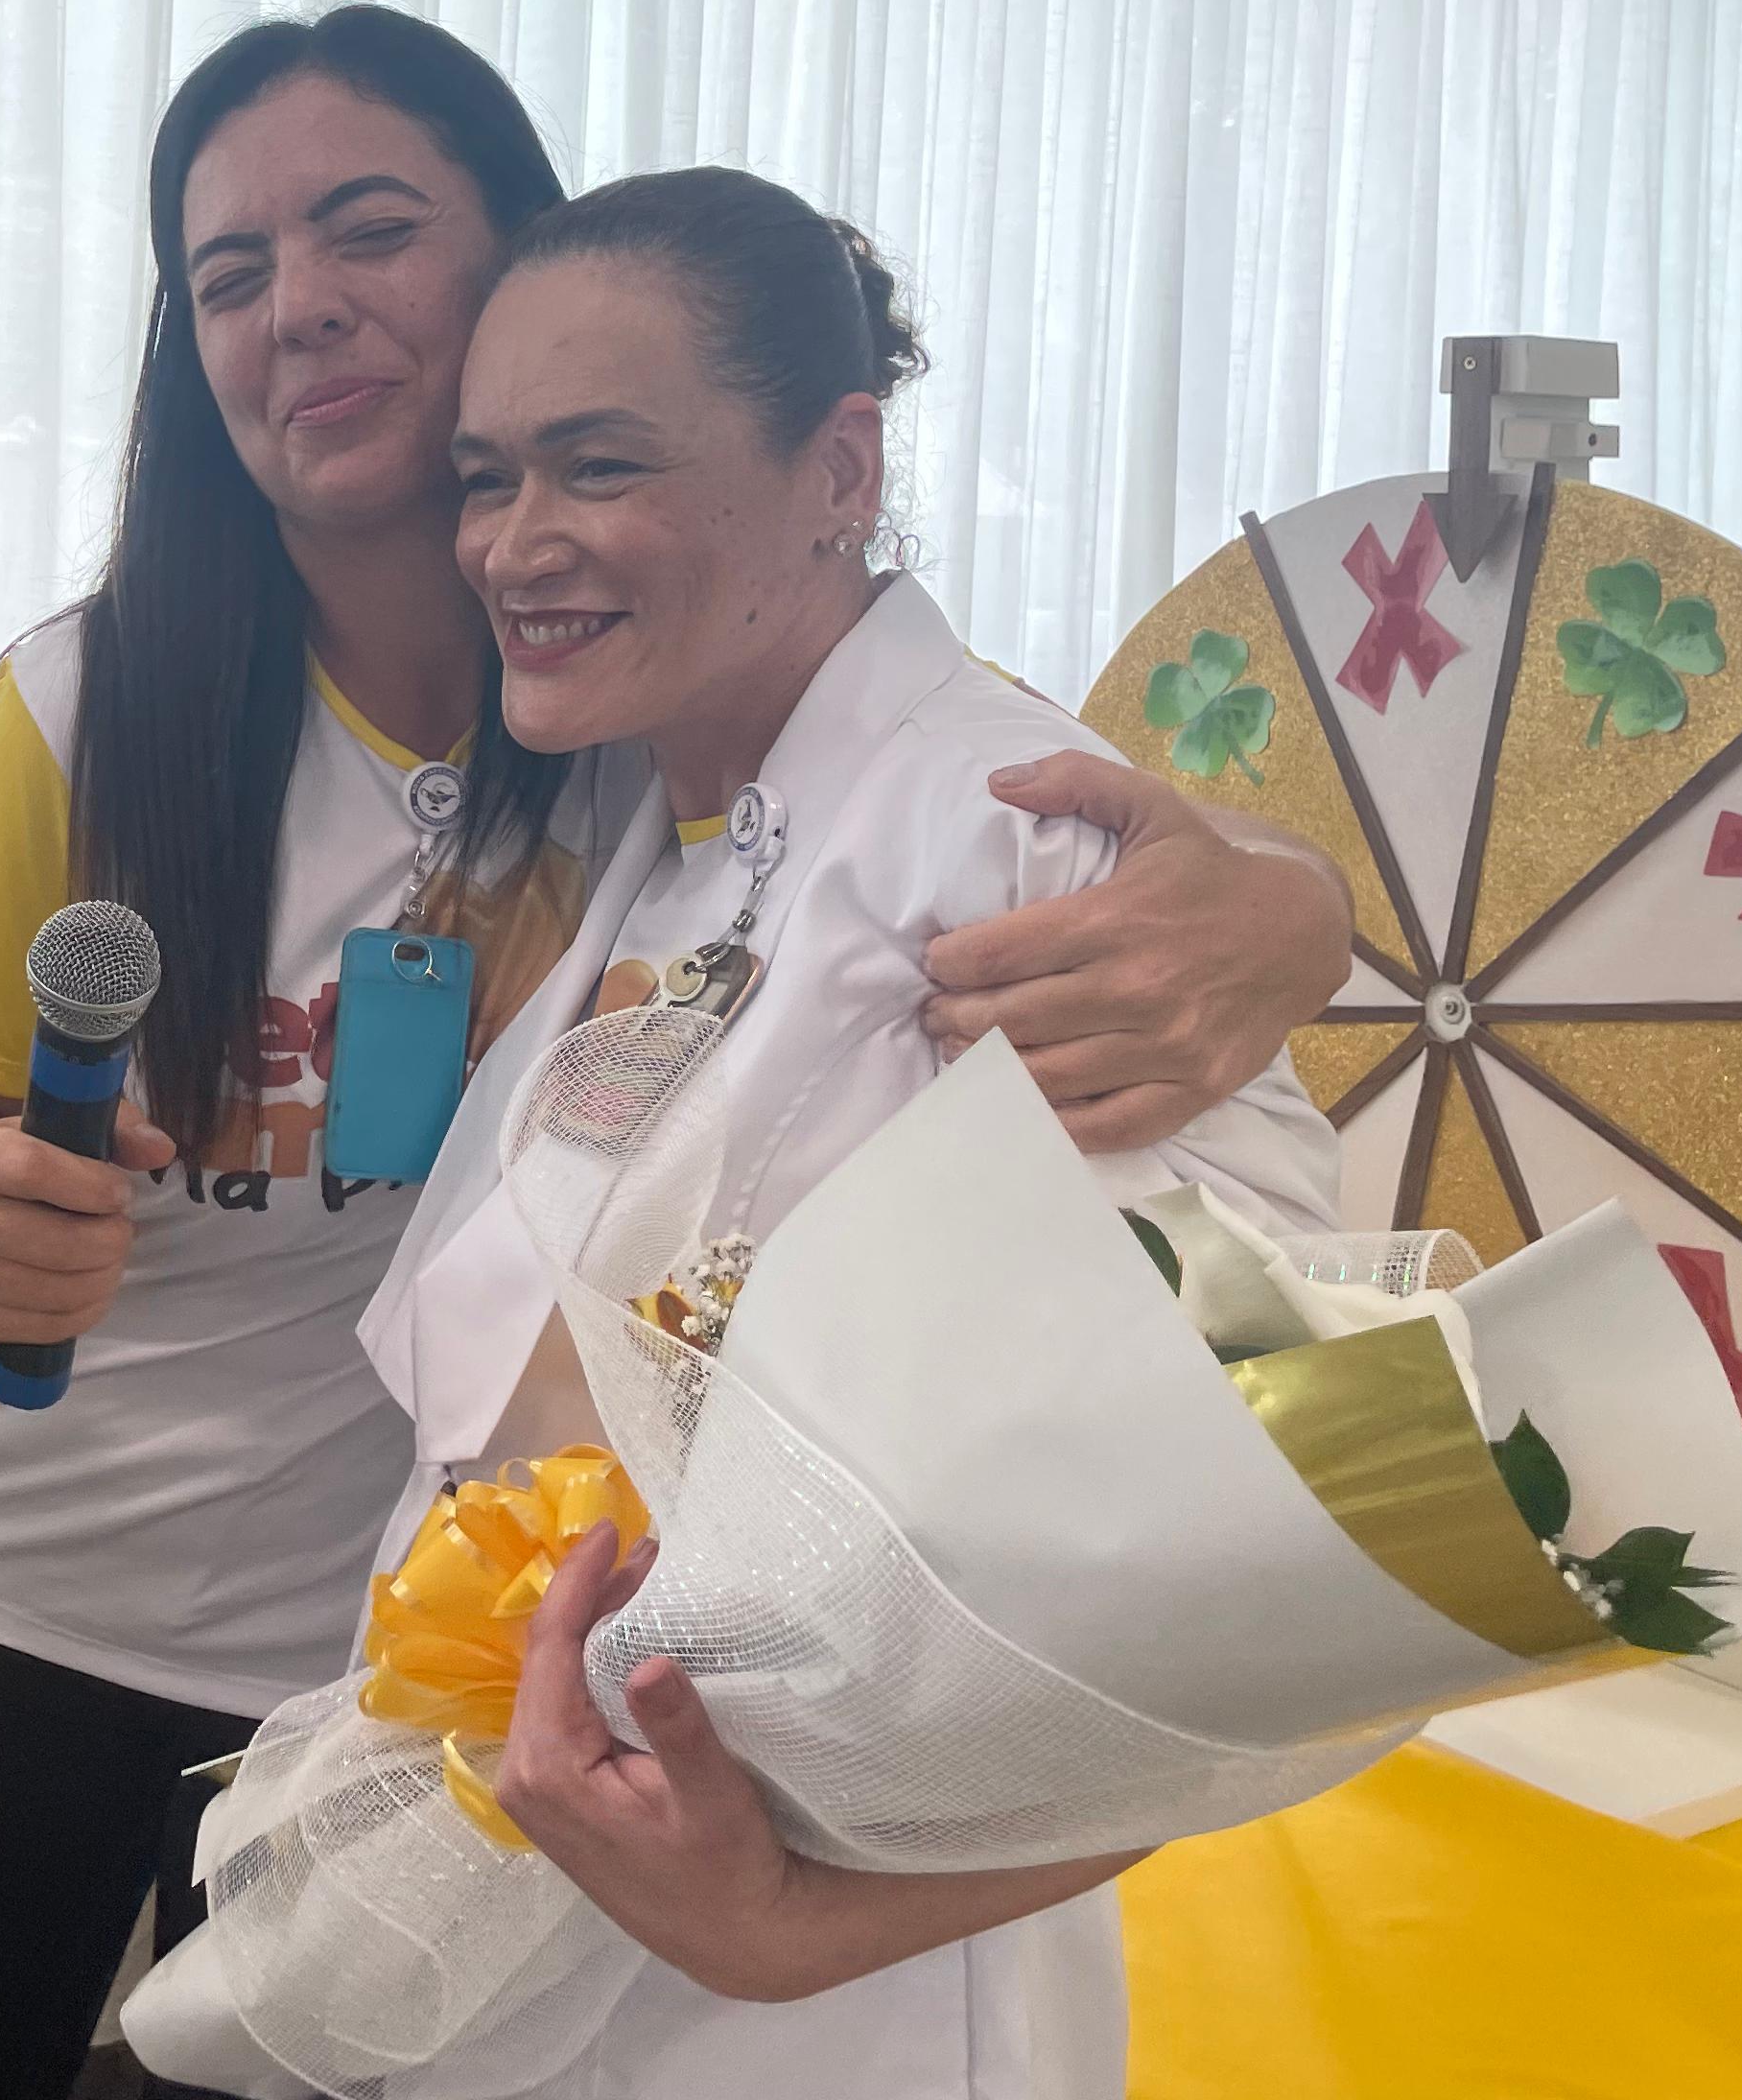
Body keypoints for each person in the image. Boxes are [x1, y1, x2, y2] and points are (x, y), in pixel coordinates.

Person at [0, 15, 1355, 2100]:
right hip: (57, 1579)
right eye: (228, 274)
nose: (301, 306)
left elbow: (1040, 858)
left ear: (512, 266)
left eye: (371, 231)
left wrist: (1292, 911)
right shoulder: (122, 703)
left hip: (436, 1676)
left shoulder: (650, 725)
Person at [360, 166, 1341, 2097]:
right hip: (550, 1892)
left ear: (838, 469)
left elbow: (1283, 1519)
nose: (516, 542)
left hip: (835, 1989)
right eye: (486, 478)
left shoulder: (1014, 836)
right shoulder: (652, 823)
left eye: (598, 464)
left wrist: (808, 1929)